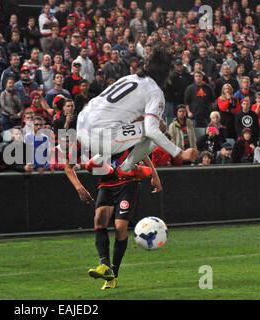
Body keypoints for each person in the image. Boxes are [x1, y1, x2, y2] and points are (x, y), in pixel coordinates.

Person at [77, 43, 199, 180]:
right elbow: (152, 130)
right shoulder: (155, 92)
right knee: (158, 127)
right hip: (99, 137)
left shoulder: (129, 78)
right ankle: (125, 169)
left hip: (81, 126)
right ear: (165, 74)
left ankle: (97, 161)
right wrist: (180, 153)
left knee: (133, 126)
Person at [65, 148, 162, 290]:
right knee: (99, 220)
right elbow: (68, 166)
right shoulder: (85, 139)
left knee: (120, 227)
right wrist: (79, 188)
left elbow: (141, 151)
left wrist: (155, 175)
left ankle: (113, 274)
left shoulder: (120, 131)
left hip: (128, 183)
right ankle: (105, 266)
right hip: (106, 184)